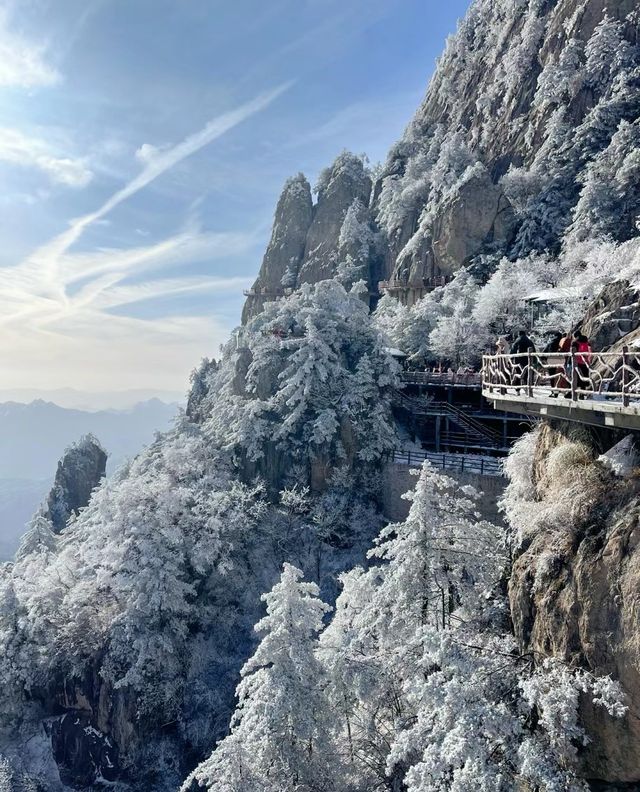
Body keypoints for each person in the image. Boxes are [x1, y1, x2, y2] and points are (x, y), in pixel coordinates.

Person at [572, 331, 593, 397]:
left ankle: (572, 393)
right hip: (585, 361)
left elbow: (572, 352)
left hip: (577, 362)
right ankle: (582, 394)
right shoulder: (587, 341)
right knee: (583, 378)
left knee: (576, 377)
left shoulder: (575, 342)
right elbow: (590, 350)